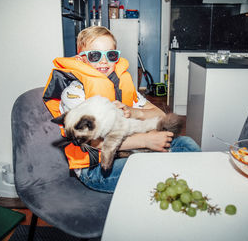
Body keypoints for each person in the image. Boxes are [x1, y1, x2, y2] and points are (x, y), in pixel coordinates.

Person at [43, 26, 200, 193]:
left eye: (110, 55)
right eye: (95, 55)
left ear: (116, 57)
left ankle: (203, 187)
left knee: (186, 145)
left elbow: (160, 114)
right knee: (158, 167)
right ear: (81, 59)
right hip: (96, 167)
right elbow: (94, 143)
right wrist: (146, 141)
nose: (104, 61)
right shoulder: (74, 94)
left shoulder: (121, 83)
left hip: (131, 150)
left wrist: (133, 111)